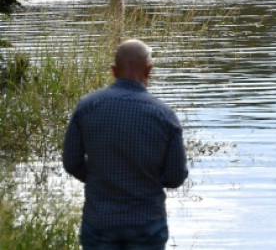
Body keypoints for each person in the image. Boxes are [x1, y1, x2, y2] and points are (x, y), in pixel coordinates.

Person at [63, 39, 189, 250]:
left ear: (114, 71)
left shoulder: (87, 107)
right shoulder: (164, 115)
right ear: (148, 70)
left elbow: (71, 162)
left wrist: (97, 176)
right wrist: (148, 180)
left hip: (100, 221)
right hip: (147, 224)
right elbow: (176, 177)